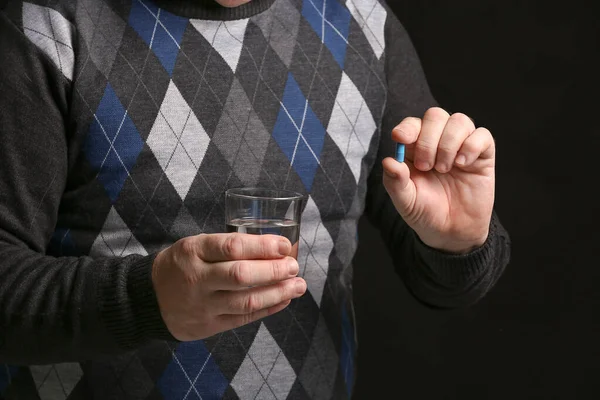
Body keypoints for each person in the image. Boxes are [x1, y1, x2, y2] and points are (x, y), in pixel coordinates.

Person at [0, 0, 511, 398]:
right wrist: (145, 300)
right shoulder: (46, 26)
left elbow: (447, 285)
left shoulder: (365, 23)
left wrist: (459, 243)